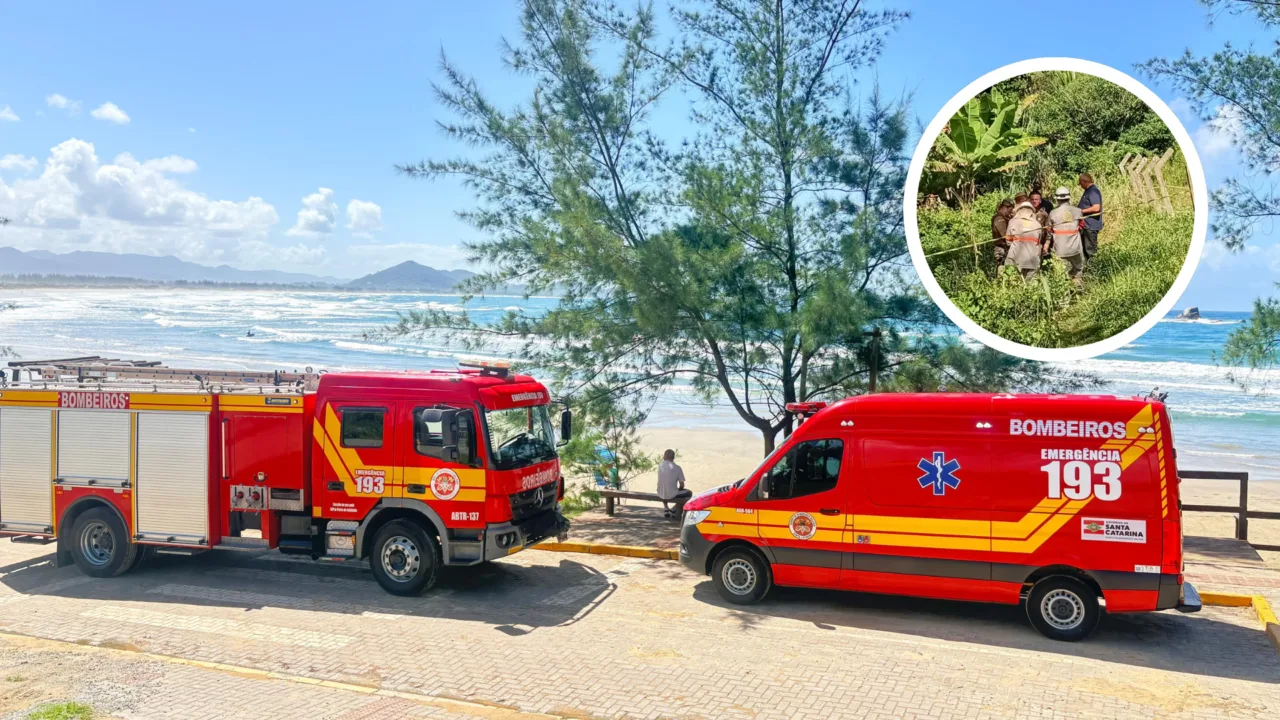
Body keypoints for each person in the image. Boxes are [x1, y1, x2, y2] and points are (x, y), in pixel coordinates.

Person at [1049, 187, 1086, 289]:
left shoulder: (1052, 213)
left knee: (1061, 272)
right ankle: (1078, 291)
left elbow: (1049, 230)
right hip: (1075, 248)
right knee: (1078, 269)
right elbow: (1082, 227)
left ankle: (1064, 294)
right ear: (1069, 198)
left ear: (1057, 199)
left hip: (1060, 249)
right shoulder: (1078, 211)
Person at [1003, 194, 1046, 280]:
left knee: (1014, 285)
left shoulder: (1013, 222)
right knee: (1032, 288)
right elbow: (1039, 241)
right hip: (1033, 261)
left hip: (1015, 260)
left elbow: (1008, 241)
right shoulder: (1037, 224)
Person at [656, 449, 692, 519]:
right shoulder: (677, 468)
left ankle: (666, 508)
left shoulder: (660, 465)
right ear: (673, 457)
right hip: (671, 494)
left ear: (664, 456)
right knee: (689, 493)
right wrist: (679, 489)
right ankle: (674, 509)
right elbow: (682, 485)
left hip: (659, 491)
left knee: (664, 486)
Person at [1077, 173, 1103, 259]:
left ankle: (1094, 269)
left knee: (1090, 250)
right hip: (1086, 225)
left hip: (1091, 226)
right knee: (1085, 249)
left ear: (1084, 181)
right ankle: (1088, 268)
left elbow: (1096, 208)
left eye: (1080, 183)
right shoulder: (1088, 191)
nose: (1080, 185)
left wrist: (1081, 211)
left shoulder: (1093, 191)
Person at [990, 198, 1015, 265]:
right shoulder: (999, 218)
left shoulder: (1006, 217)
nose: (1011, 211)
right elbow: (1004, 234)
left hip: (1005, 248)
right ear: (1004, 207)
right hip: (1001, 249)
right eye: (1010, 209)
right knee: (1002, 268)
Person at [1029, 190, 1053, 255]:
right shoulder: (1025, 213)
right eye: (1032, 199)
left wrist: (1047, 243)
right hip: (1028, 242)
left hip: (1040, 242)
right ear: (1029, 201)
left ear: (1040, 201)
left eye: (1036, 199)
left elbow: (1048, 229)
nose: (1034, 201)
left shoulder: (1043, 214)